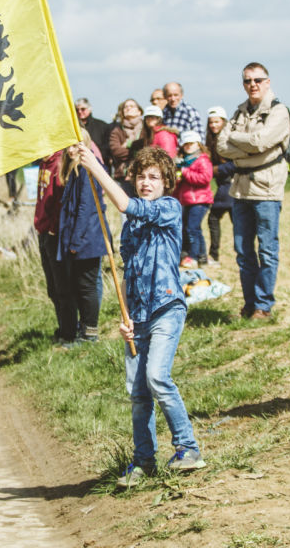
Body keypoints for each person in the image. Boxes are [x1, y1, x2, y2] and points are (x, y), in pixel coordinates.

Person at [78, 144, 205, 488]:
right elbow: (129, 271)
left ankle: (188, 448)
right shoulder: (131, 226)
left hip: (166, 308)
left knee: (157, 377)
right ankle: (144, 461)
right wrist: (127, 317)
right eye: (141, 177)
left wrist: (95, 167)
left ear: (166, 182)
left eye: (154, 177)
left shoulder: (169, 208)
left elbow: (125, 204)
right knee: (137, 393)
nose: (146, 182)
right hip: (139, 314)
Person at [217, 63, 290, 319]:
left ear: (267, 82)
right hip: (241, 189)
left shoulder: (279, 111)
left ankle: (263, 305)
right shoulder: (239, 112)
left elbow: (261, 142)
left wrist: (238, 141)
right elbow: (221, 146)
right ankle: (250, 304)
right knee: (243, 251)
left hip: (267, 190)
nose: (253, 85)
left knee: (267, 250)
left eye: (258, 80)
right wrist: (251, 148)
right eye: (248, 81)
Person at [55, 136, 106, 345]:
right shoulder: (75, 169)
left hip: (88, 238)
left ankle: (90, 334)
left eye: (76, 145)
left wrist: (75, 241)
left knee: (87, 286)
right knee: (78, 286)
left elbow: (86, 207)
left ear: (85, 144)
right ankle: (82, 331)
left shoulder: (87, 168)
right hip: (78, 238)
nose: (70, 150)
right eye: (68, 145)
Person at [34, 150, 68, 344]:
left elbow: (58, 201)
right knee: (52, 288)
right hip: (43, 230)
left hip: (53, 233)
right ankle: (61, 327)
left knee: (62, 287)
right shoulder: (43, 164)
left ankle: (68, 331)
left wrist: (53, 228)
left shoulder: (58, 163)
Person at [175, 131, 213, 268]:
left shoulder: (202, 160)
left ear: (198, 144)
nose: (188, 146)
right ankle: (202, 257)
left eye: (191, 144)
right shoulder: (183, 161)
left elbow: (205, 178)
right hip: (187, 200)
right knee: (190, 228)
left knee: (192, 229)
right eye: (186, 144)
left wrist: (185, 172)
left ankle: (193, 256)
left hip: (200, 200)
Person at [204, 108, 234, 265]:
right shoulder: (211, 141)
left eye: (217, 121)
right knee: (235, 221)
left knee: (214, 218)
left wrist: (215, 170)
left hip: (230, 184)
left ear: (224, 122)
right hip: (224, 184)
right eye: (211, 122)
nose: (213, 125)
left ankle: (214, 255)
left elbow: (235, 163)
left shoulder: (229, 139)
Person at [108, 98, 145, 197]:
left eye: (131, 106)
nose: (128, 108)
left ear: (139, 111)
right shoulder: (117, 130)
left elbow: (146, 147)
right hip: (124, 175)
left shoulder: (145, 128)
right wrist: (135, 152)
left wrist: (127, 145)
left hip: (144, 172)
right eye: (126, 107)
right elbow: (116, 151)